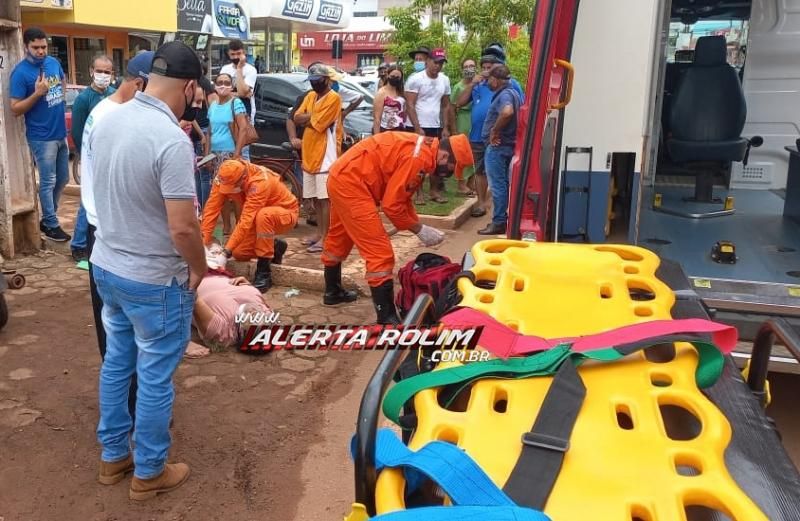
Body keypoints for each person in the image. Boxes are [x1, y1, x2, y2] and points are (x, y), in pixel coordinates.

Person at [88, 41, 205, 500]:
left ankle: (114, 456)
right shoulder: (170, 139)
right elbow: (183, 227)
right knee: (154, 375)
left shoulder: (108, 119)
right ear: (191, 87)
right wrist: (198, 270)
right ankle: (149, 470)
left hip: (106, 266)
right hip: (154, 278)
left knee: (117, 363)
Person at [321, 132, 473, 324]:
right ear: (443, 156)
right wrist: (418, 229)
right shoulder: (419, 158)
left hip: (343, 177)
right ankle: (386, 317)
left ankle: (332, 291)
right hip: (352, 184)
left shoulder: (422, 150)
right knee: (380, 254)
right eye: (452, 168)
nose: (449, 174)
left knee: (340, 237)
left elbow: (402, 197)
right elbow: (392, 206)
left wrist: (418, 225)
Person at [82, 49, 154, 431]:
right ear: (140, 84)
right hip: (114, 231)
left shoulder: (106, 114)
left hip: (105, 230)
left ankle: (122, 413)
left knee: (114, 329)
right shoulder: (114, 118)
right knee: (125, 330)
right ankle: (133, 408)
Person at [9, 27, 71, 242]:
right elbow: (15, 109)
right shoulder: (20, 73)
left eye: (43, 47)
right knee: (48, 181)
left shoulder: (53, 63)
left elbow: (62, 80)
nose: (41, 51)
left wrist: (59, 99)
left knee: (62, 178)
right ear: (26, 46)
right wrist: (37, 93)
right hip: (41, 137)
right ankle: (51, 223)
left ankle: (47, 218)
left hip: (60, 132)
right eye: (35, 47)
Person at [201, 160, 298, 292]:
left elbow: (246, 220)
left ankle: (264, 273)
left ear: (244, 178)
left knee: (264, 216)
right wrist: (202, 245)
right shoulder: (223, 177)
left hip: (285, 213)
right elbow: (211, 211)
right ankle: (275, 246)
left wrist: (225, 252)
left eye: (232, 186)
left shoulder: (260, 182)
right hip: (256, 218)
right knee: (239, 253)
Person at [456, 43, 524, 220]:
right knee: (480, 170)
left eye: (490, 67)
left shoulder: (510, 84)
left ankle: (503, 212)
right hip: (478, 135)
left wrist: (497, 129)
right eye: (484, 67)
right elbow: (459, 103)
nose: (486, 71)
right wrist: (472, 84)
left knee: (500, 174)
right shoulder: (478, 84)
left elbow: (519, 107)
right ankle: (482, 202)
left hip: (500, 138)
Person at [184, 244, 275, 358]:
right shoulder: (264, 314)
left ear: (242, 334)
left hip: (190, 270)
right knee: (212, 247)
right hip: (218, 269)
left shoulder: (222, 332)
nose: (256, 314)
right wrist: (249, 286)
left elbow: (190, 295)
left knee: (183, 237)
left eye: (254, 323)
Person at [69, 54, 116, 262]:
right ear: (91, 72)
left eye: (107, 72)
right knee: (87, 201)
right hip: (91, 158)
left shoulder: (115, 95)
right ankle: (79, 244)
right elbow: (78, 132)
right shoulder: (83, 99)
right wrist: (86, 158)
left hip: (111, 157)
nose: (103, 76)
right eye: (100, 71)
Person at [293, 64, 342, 254]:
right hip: (309, 152)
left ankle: (327, 237)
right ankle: (319, 233)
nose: (314, 85)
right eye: (312, 82)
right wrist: (309, 117)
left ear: (327, 80)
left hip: (326, 155)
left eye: (317, 81)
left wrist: (308, 118)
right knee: (315, 199)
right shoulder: (310, 96)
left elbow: (319, 124)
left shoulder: (334, 99)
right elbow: (296, 117)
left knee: (325, 199)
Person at [404, 47, 456, 204]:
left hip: (435, 125)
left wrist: (446, 127)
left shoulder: (444, 80)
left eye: (441, 63)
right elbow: (410, 104)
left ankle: (434, 191)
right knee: (417, 160)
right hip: (417, 125)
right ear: (428, 61)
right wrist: (417, 127)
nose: (438, 66)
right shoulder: (415, 79)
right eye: (435, 62)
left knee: (436, 159)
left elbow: (446, 105)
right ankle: (418, 193)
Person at [479, 65, 522, 236]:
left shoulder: (505, 95)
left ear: (496, 80)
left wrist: (494, 131)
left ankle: (499, 222)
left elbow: (507, 112)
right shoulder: (513, 93)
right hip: (506, 145)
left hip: (498, 147)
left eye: (489, 79)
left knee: (497, 186)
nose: (488, 81)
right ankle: (502, 220)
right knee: (502, 185)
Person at [206, 73, 249, 235]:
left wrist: (237, 154)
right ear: (215, 85)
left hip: (231, 154)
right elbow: (209, 132)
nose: (222, 85)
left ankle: (239, 226)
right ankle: (226, 226)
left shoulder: (236, 103)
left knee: (236, 193)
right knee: (221, 193)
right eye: (219, 83)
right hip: (216, 155)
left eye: (226, 83)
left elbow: (243, 128)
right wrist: (207, 155)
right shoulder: (213, 106)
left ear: (231, 86)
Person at [220, 39, 257, 159]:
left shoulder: (250, 70)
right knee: (226, 157)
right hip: (226, 115)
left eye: (239, 54)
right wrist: (241, 93)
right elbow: (221, 92)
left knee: (243, 156)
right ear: (228, 54)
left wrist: (239, 69)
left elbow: (241, 92)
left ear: (244, 53)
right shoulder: (225, 69)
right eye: (233, 54)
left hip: (245, 116)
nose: (236, 57)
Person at [450, 58, 478, 197]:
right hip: (463, 119)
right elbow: (452, 107)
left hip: (476, 120)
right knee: (462, 152)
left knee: (475, 151)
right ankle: (461, 184)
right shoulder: (458, 87)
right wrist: (453, 128)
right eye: (466, 66)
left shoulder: (479, 85)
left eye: (472, 66)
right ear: (462, 69)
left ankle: (471, 182)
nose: (469, 69)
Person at [372, 64, 407, 134]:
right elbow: (377, 119)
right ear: (388, 75)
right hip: (385, 131)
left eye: (398, 77)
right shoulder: (381, 93)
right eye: (392, 76)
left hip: (401, 131)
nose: (395, 79)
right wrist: (377, 138)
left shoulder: (401, 92)